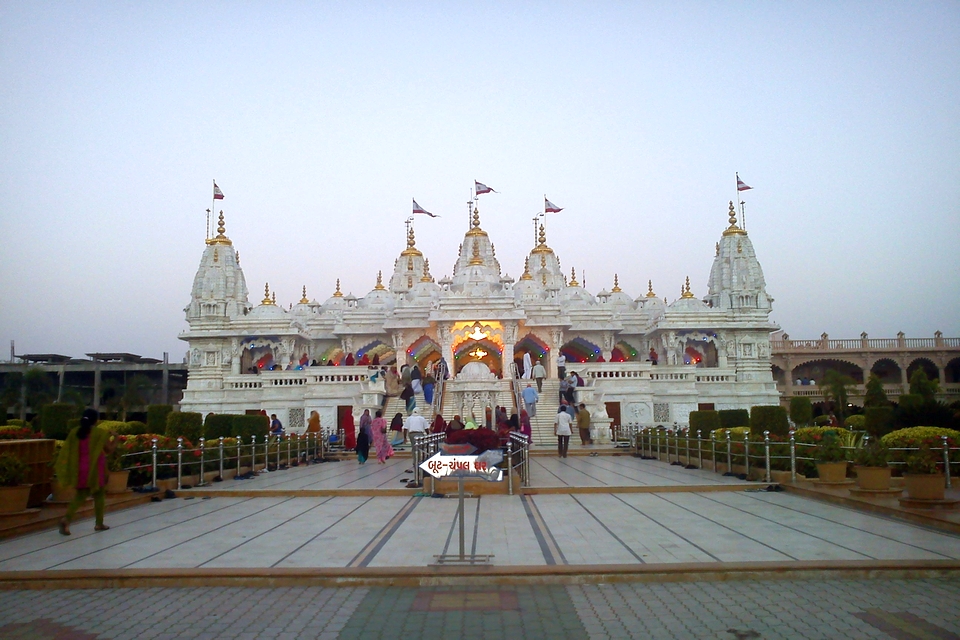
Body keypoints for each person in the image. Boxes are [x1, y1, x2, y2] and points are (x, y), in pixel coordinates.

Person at [56, 408, 115, 535]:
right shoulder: (99, 433)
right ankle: (99, 523)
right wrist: (115, 437)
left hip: (79, 469)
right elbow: (109, 450)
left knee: (80, 496)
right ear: (96, 420)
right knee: (99, 495)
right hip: (95, 468)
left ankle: (67, 519)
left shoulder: (75, 432)